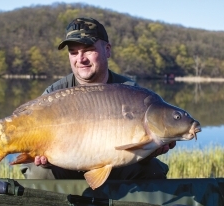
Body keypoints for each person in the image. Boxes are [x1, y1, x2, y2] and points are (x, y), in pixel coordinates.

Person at [20, 17, 176, 180]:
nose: (80, 59)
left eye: (88, 49)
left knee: (151, 169)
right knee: (39, 171)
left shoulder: (131, 93)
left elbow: (138, 147)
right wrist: (44, 158)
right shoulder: (54, 93)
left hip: (114, 165)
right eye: (73, 52)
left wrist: (149, 152)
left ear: (107, 50)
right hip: (66, 162)